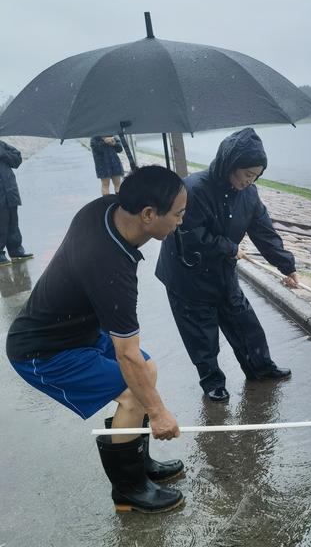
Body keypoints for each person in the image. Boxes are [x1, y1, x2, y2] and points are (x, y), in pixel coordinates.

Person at [5, 165, 188, 514]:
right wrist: (159, 413)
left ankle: (139, 463)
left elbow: (135, 359)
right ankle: (129, 491)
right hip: (43, 351)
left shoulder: (104, 208)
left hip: (78, 330)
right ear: (148, 214)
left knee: (146, 370)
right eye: (178, 214)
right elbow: (127, 355)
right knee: (136, 394)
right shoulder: (110, 268)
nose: (181, 220)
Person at [155, 127, 298, 402]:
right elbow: (189, 234)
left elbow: (264, 232)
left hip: (222, 271)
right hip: (187, 275)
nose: (250, 181)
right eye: (247, 174)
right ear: (230, 164)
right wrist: (230, 247)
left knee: (245, 323)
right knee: (201, 334)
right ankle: (212, 382)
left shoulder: (249, 195)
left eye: (256, 176)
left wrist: (286, 265)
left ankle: (260, 368)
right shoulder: (193, 189)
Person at [0, 139, 33, 266]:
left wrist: (3, 154)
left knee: (13, 223)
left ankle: (16, 250)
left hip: (10, 191)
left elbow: (17, 159)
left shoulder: (2, 145)